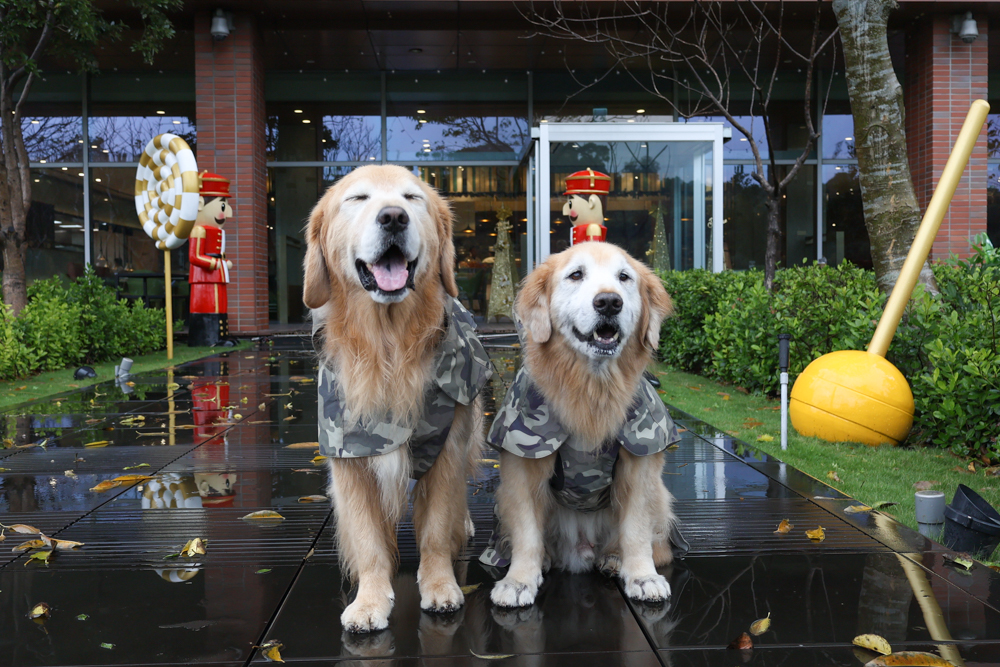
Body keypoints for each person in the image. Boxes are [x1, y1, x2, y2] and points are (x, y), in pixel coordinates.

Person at [188, 172, 235, 346]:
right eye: (222, 206)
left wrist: (223, 262)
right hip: (204, 277)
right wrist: (215, 263)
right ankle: (209, 338)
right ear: (200, 204)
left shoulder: (216, 231)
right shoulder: (198, 230)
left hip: (217, 274)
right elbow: (194, 256)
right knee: (210, 305)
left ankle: (221, 336)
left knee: (220, 304)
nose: (228, 213)